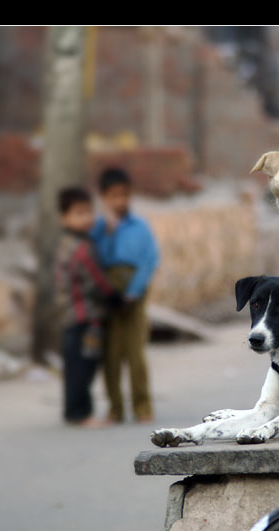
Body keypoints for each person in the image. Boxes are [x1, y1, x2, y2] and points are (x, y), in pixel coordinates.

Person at [90, 168, 160, 424]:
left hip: (134, 289)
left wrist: (133, 292)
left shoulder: (140, 226)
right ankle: (115, 408)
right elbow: (96, 259)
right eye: (114, 196)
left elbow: (149, 260)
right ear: (103, 198)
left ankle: (142, 406)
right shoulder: (98, 229)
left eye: (125, 195)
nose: (120, 202)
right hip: (107, 290)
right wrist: (108, 230)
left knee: (135, 353)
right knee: (110, 354)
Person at [55, 187, 121, 427]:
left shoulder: (68, 242)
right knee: (84, 366)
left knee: (75, 364)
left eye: (89, 212)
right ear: (64, 217)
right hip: (85, 317)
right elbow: (96, 280)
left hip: (70, 315)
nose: (87, 218)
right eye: (79, 213)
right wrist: (114, 296)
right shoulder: (81, 248)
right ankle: (81, 414)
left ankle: (75, 411)